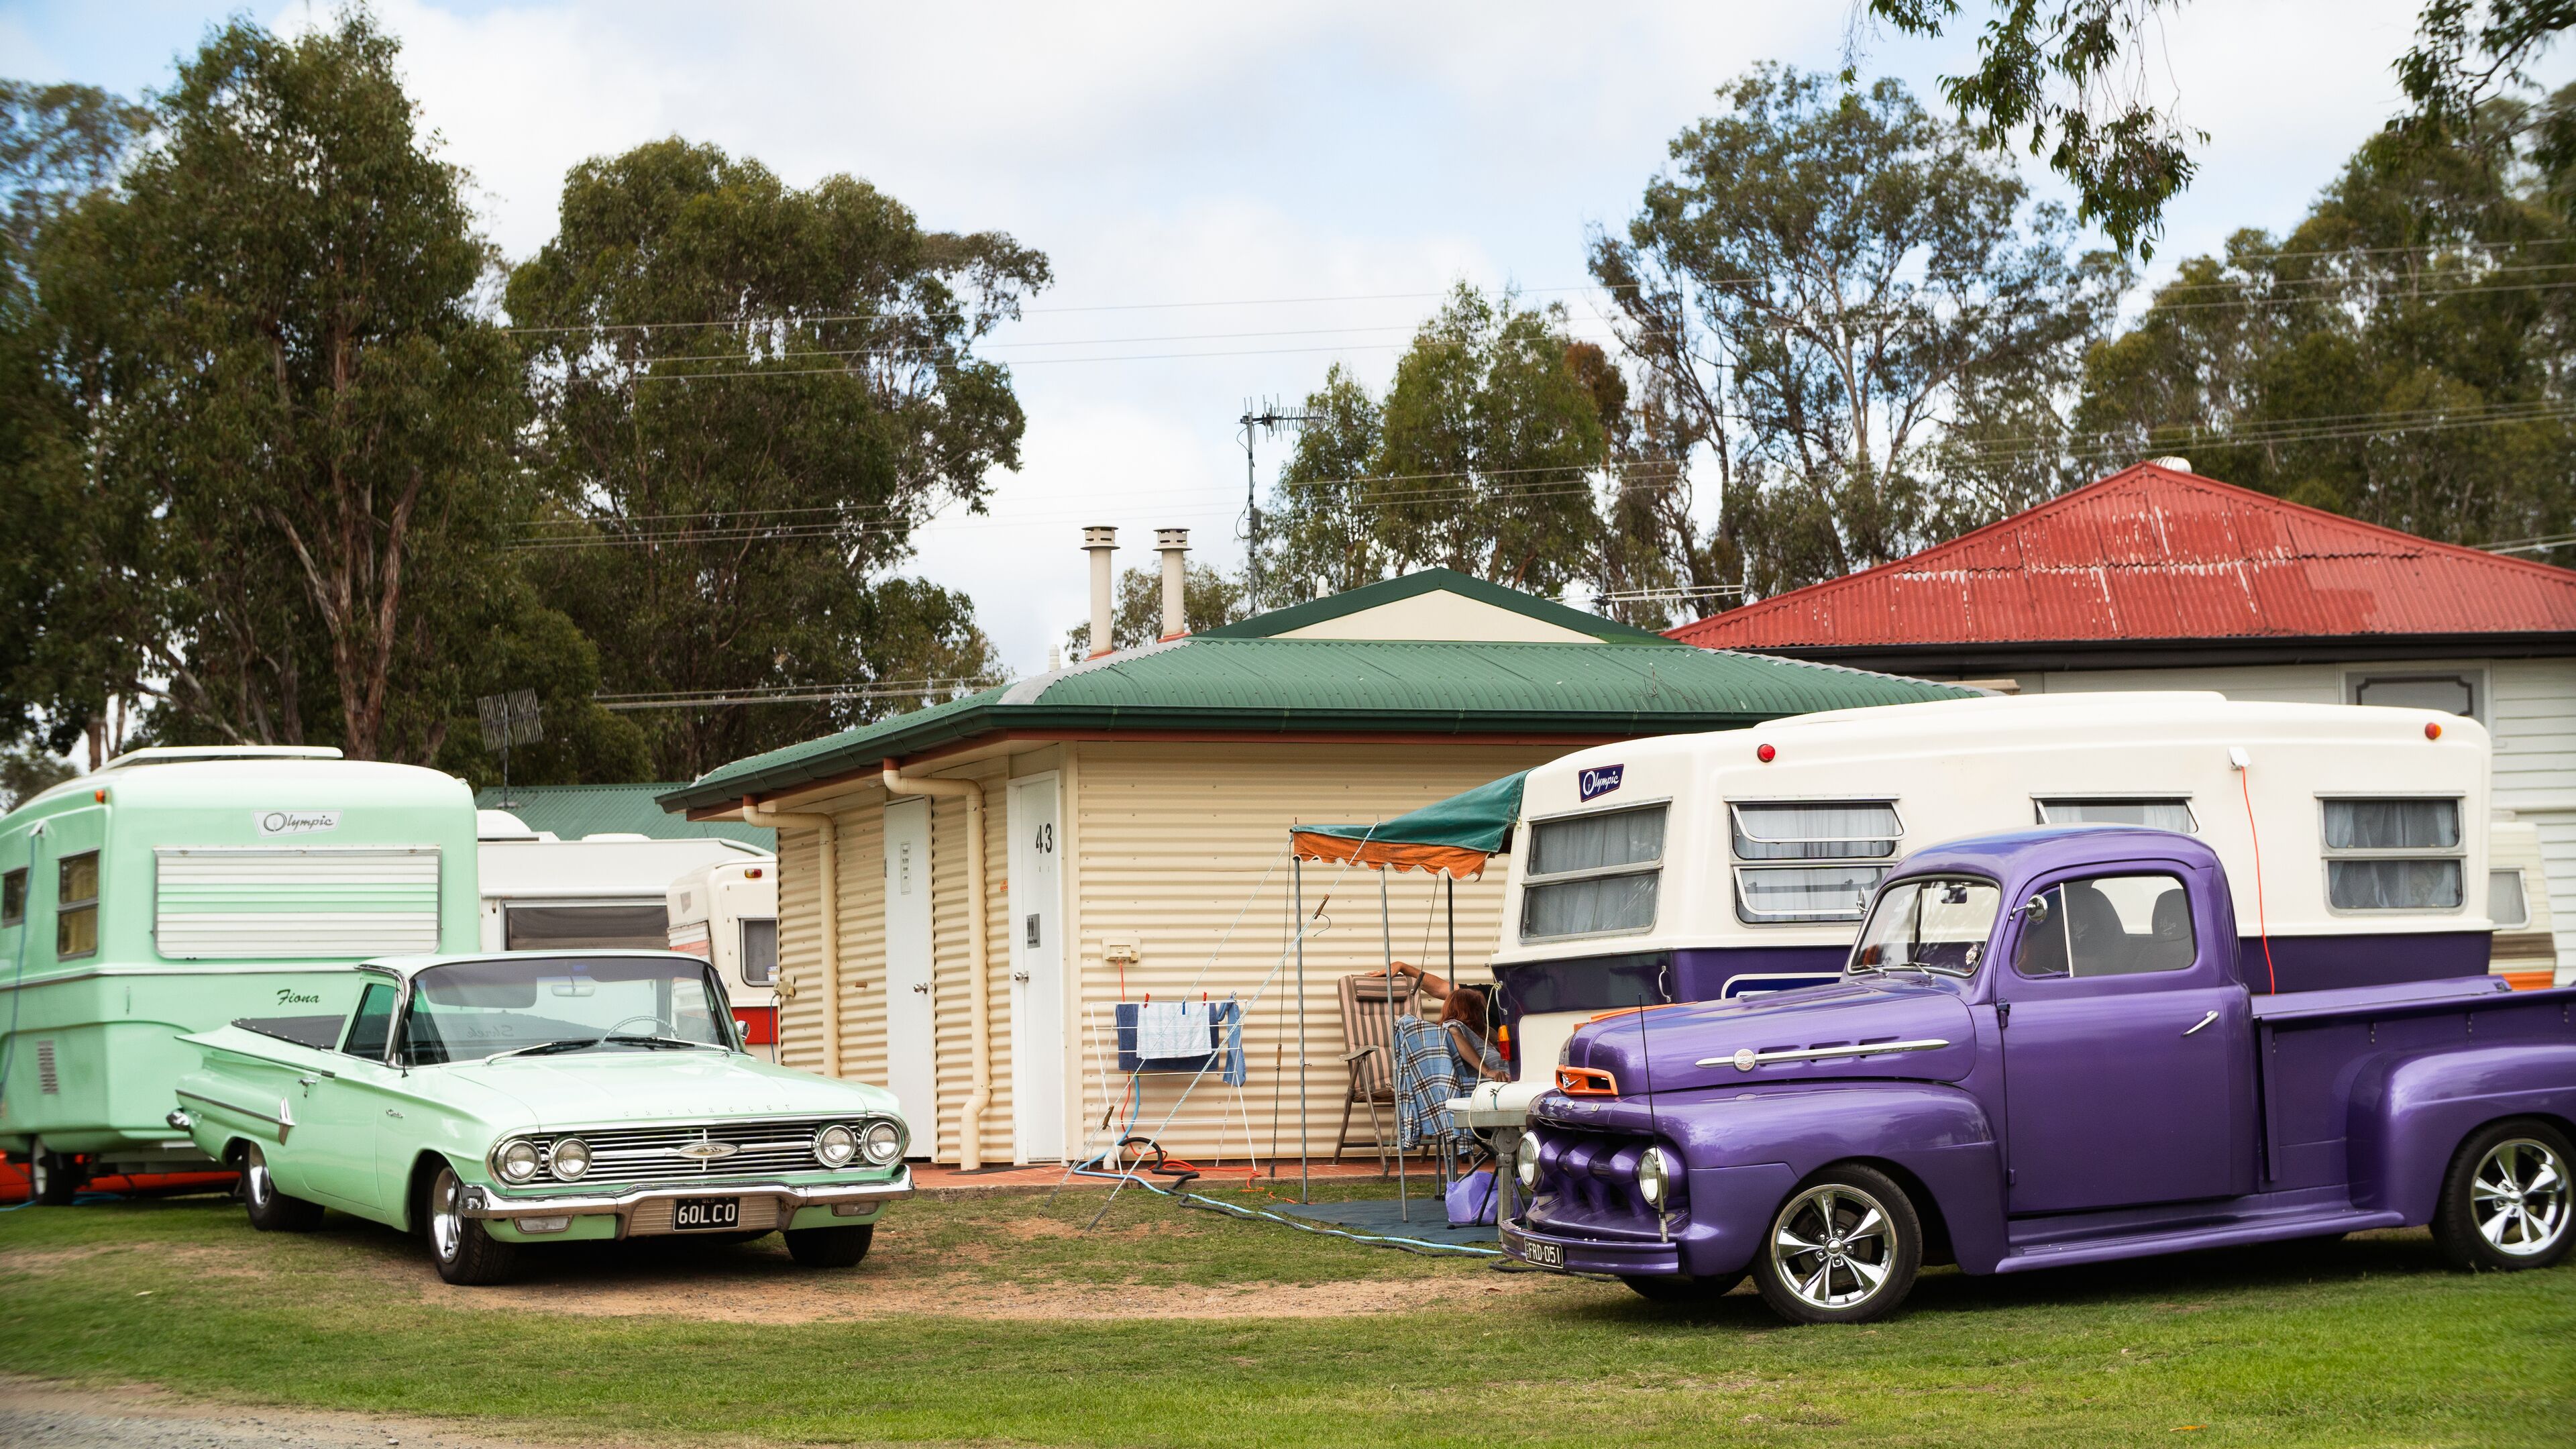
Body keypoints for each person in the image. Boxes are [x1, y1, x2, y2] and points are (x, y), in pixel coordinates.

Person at [1377, 960, 1507, 1083]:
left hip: (1509, 1075)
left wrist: (1490, 1033)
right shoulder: (1455, 1026)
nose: (1483, 1014)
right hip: (1494, 1082)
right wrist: (1487, 1071)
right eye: (1480, 1011)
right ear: (1471, 1012)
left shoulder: (1481, 1033)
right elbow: (1440, 990)